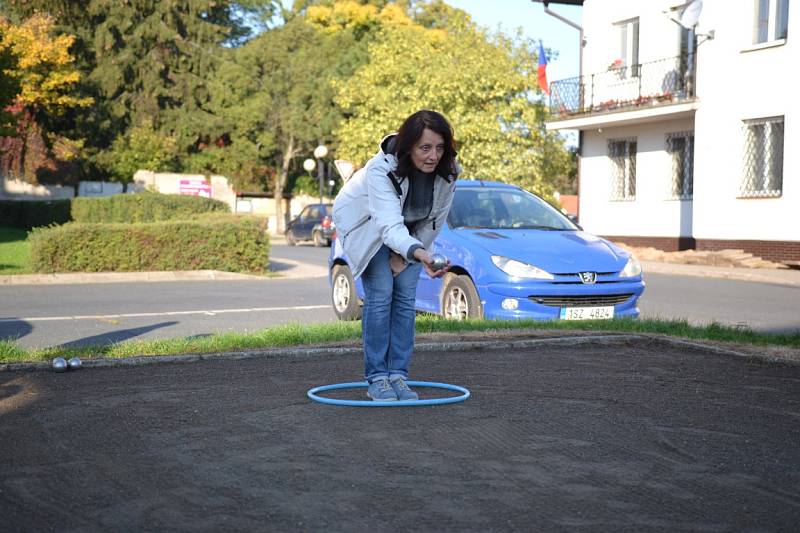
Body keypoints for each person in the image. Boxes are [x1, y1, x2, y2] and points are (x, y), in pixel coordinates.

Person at [332, 110, 459, 401]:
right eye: (425, 148)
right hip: (367, 227)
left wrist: (418, 255)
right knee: (381, 293)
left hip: (410, 233)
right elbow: (387, 225)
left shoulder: (449, 172)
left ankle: (398, 376)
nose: (433, 156)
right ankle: (377, 377)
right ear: (408, 147)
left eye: (439, 148)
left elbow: (434, 219)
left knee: (405, 298)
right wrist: (419, 254)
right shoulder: (381, 170)